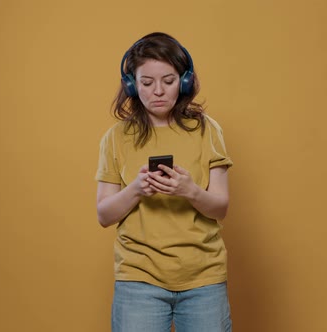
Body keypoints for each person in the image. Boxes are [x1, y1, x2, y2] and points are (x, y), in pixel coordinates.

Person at [95, 32, 233, 332]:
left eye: (168, 81)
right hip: (138, 279)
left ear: (184, 82)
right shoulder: (116, 138)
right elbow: (104, 215)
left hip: (203, 278)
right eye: (146, 83)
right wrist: (135, 190)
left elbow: (220, 208)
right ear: (131, 84)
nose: (158, 91)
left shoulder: (207, 130)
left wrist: (191, 191)